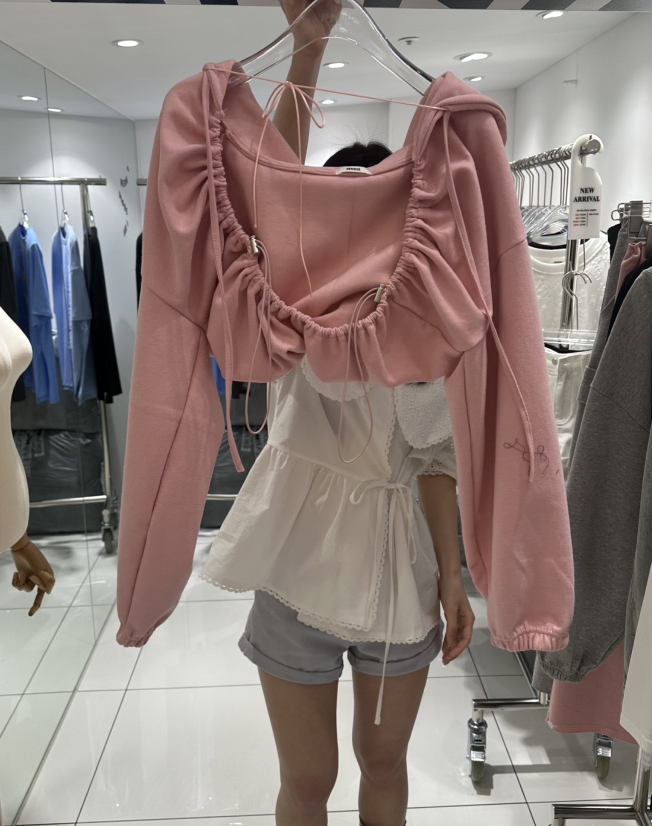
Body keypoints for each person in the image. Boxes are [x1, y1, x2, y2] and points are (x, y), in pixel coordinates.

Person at [201, 3, 475, 825]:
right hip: (294, 560)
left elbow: (435, 457)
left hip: (400, 570)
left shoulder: (424, 304)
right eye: (335, 212)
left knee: (384, 764)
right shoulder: (294, 296)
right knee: (307, 777)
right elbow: (266, 192)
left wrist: (454, 576)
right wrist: (308, 51)